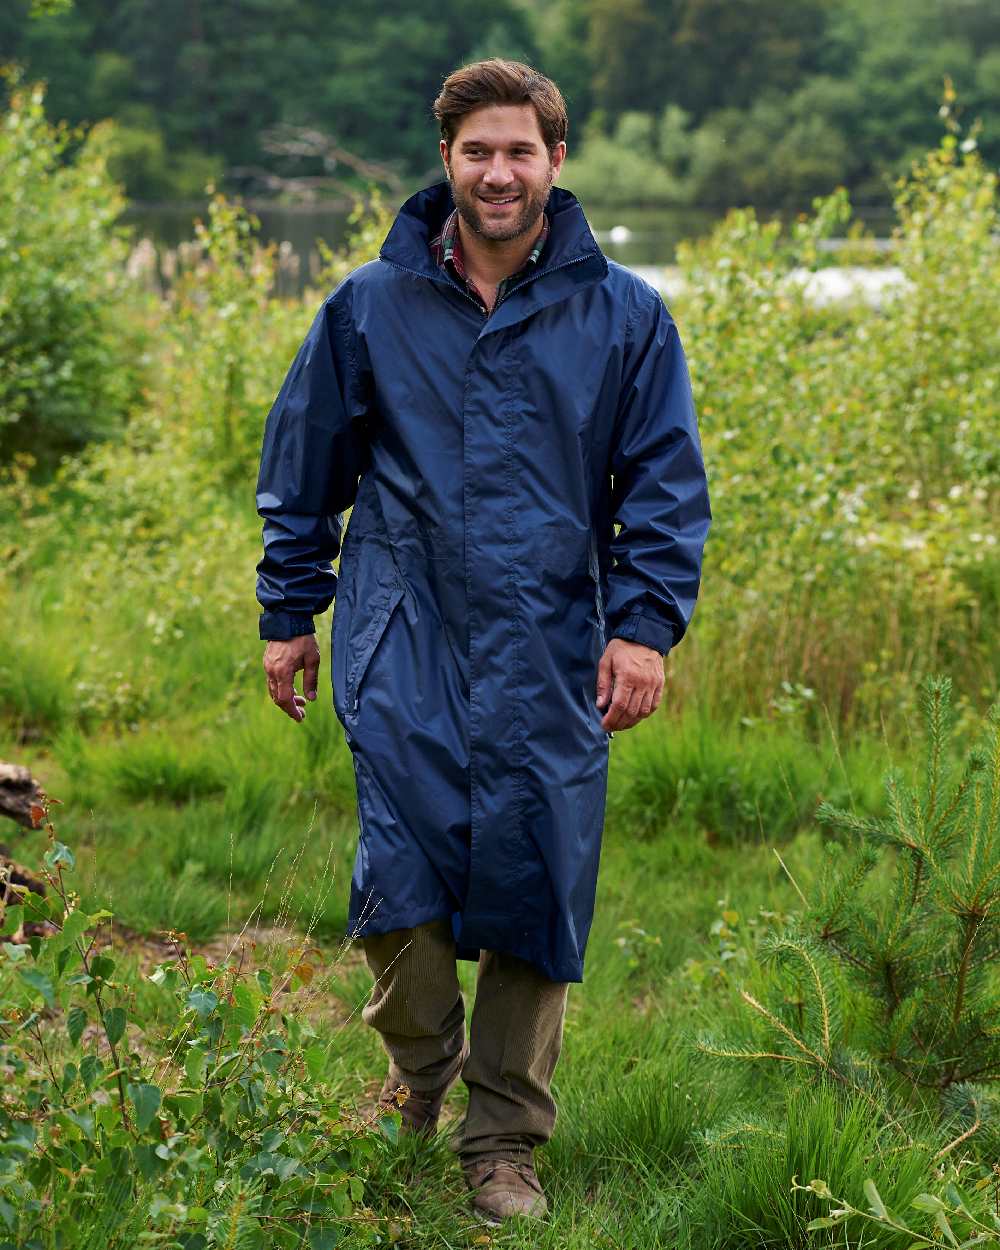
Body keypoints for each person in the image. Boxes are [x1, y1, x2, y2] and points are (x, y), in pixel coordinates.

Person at [255, 58, 711, 1224]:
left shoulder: (625, 315)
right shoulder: (369, 304)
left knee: (535, 881)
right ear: (445, 160)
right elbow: (304, 464)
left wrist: (644, 628)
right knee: (398, 881)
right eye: (476, 151)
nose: (497, 172)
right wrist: (287, 611)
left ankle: (503, 1139)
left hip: (556, 633)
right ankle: (423, 1069)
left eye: (519, 151)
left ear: (557, 162)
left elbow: (661, 487)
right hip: (400, 623)